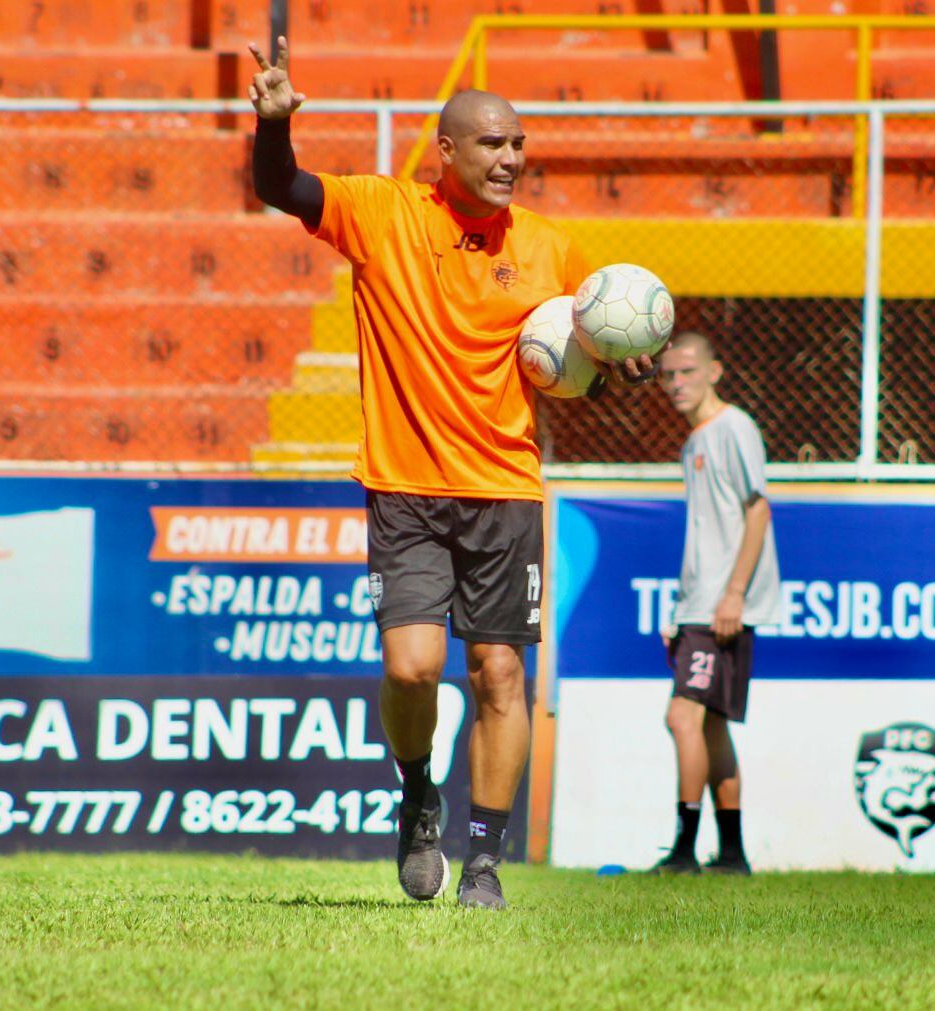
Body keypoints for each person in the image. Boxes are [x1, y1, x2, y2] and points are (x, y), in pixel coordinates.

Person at [248, 37, 654, 909]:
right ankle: (417, 790)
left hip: (506, 491)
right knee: (411, 668)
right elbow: (282, 189)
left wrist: (624, 360)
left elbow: (601, 334)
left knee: (501, 674)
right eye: (493, 144)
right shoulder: (383, 214)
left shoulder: (551, 248)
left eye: (517, 145)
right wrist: (273, 126)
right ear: (448, 149)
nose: (511, 159)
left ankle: (484, 860)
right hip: (405, 487)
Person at [648, 331, 780, 876]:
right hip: (698, 606)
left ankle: (683, 851)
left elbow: (758, 511)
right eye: (668, 375)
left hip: (722, 605)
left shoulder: (734, 428)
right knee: (710, 725)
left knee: (682, 717)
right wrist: (679, 608)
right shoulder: (694, 440)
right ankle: (730, 855)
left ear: (714, 372)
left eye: (687, 372)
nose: (677, 383)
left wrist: (732, 594)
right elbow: (705, 533)